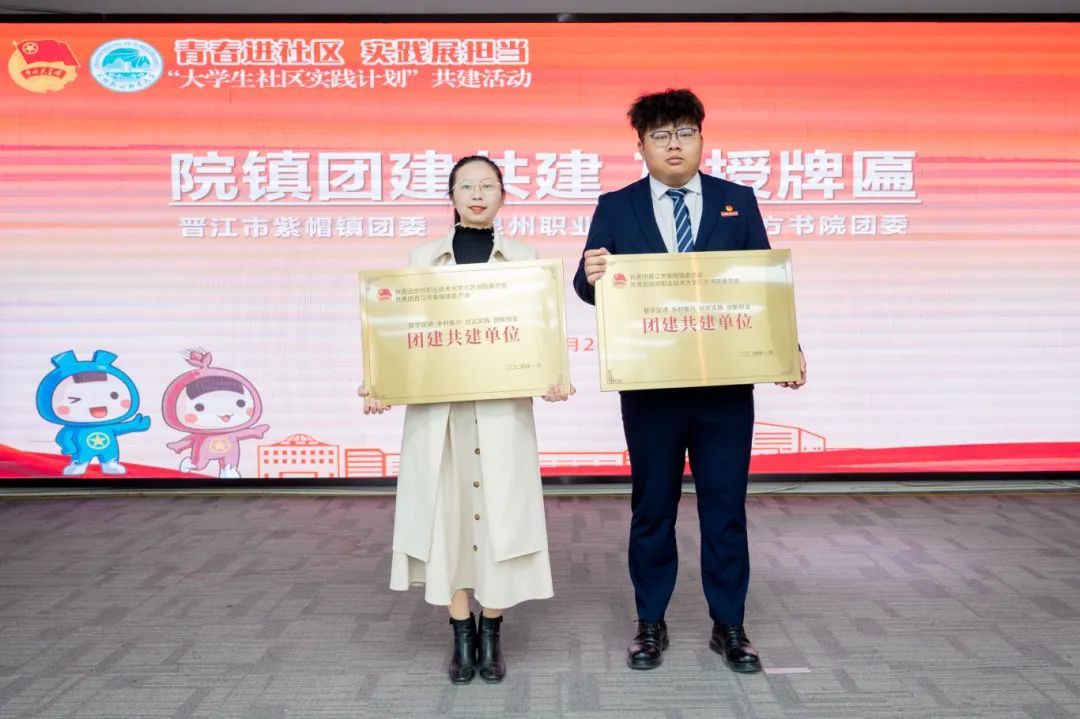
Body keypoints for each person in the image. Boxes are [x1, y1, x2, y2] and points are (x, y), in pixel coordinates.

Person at [572, 89, 807, 674]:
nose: (673, 144)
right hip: (651, 386)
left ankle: (730, 625)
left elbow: (762, 281)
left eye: (684, 132)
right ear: (640, 146)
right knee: (653, 507)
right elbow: (589, 286)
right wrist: (589, 273)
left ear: (702, 139)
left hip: (725, 389)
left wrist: (788, 348)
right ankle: (650, 622)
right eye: (660, 135)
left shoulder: (736, 200)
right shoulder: (616, 206)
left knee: (725, 508)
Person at [360, 155, 572, 685]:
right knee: (446, 516)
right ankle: (461, 629)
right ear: (451, 196)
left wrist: (553, 374)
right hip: (441, 412)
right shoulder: (423, 258)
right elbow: (401, 334)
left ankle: (492, 627)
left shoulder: (525, 259)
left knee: (503, 514)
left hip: (502, 410)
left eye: (488, 186)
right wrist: (380, 382)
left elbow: (539, 332)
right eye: (466, 186)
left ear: (503, 194)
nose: (478, 195)